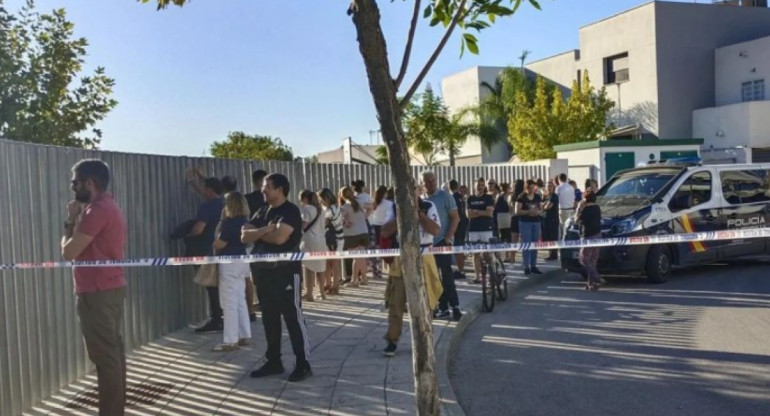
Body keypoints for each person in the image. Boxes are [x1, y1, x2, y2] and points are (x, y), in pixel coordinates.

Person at [61, 159, 128, 415]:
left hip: (97, 292)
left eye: (74, 182)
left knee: (105, 357)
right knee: (112, 353)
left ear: (90, 183)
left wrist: (69, 221)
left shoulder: (96, 211)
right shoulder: (109, 206)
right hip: (109, 288)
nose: (72, 187)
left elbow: (69, 252)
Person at [241, 173, 312, 382]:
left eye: (266, 187)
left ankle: (303, 363)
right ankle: (274, 361)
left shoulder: (290, 211)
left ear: (279, 189)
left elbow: (280, 239)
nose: (263, 190)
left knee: (293, 317)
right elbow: (244, 235)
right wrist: (267, 229)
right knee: (270, 318)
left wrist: (259, 233)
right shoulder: (263, 211)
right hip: (263, 273)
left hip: (286, 273)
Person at [382, 184, 443, 357]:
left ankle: (425, 340)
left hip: (424, 255)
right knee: (396, 301)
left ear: (419, 191)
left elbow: (436, 230)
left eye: (414, 189)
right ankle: (392, 340)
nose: (410, 192)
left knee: (426, 302)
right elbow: (385, 232)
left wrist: (419, 215)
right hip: (401, 258)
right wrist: (401, 216)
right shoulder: (394, 207)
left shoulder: (429, 206)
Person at [212, 192, 251, 352]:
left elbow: (219, 244)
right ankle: (244, 334)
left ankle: (230, 340)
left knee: (228, 302)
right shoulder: (244, 221)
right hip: (242, 261)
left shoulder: (228, 223)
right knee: (239, 299)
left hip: (229, 262)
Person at [186, 173, 225, 333]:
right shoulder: (224, 203)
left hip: (205, 250)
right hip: (222, 249)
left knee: (211, 287)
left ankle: (216, 319)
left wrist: (188, 235)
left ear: (209, 190)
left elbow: (199, 228)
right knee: (221, 286)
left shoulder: (207, 206)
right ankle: (222, 318)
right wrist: (195, 183)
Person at [422, 170, 462, 321]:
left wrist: (448, 238)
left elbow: (455, 218)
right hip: (426, 244)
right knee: (433, 277)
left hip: (441, 241)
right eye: (427, 182)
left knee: (446, 275)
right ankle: (442, 306)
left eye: (433, 180)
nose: (431, 184)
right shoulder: (420, 199)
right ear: (422, 183)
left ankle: (455, 306)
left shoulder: (445, 196)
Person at [299, 190, 327, 301]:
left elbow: (303, 225)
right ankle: (322, 292)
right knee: (320, 266)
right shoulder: (321, 210)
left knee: (309, 267)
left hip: (310, 240)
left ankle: (309, 293)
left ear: (305, 199)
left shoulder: (307, 209)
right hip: (321, 240)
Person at [467, 177, 495, 284]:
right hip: (473, 229)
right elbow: (468, 214)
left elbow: (489, 213)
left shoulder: (488, 198)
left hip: (486, 228)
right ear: (474, 185)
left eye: (482, 185)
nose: (480, 187)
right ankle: (477, 277)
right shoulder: (470, 198)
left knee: (487, 253)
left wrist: (477, 212)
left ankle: (490, 276)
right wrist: (482, 212)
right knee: (476, 254)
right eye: (478, 185)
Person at [340, 186, 369, 287]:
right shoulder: (360, 203)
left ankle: (354, 280)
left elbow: (339, 218)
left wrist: (345, 222)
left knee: (356, 258)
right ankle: (364, 278)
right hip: (364, 232)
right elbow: (371, 207)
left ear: (342, 196)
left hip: (352, 234)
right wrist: (365, 217)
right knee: (361, 257)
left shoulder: (345, 207)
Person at [318, 188, 344, 295]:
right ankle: (329, 283)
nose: (319, 200)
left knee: (333, 263)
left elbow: (325, 223)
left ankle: (335, 285)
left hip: (335, 239)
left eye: (320, 198)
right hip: (333, 238)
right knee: (329, 263)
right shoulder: (332, 207)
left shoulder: (331, 209)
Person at [516, 179, 543, 275]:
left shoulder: (537, 197)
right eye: (529, 188)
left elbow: (541, 209)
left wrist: (537, 212)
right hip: (525, 222)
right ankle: (526, 266)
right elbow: (517, 211)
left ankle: (533, 265)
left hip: (536, 222)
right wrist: (528, 212)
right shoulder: (521, 197)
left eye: (532, 187)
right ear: (525, 187)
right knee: (526, 244)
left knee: (535, 244)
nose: (530, 190)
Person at [577, 190, 602, 291]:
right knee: (593, 260)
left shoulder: (585, 210)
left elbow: (577, 220)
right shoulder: (597, 208)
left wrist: (579, 208)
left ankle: (596, 277)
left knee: (583, 259)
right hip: (598, 235)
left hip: (588, 236)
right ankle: (591, 283)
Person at [369, 185, 395, 276]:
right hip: (384, 227)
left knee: (375, 249)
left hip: (374, 226)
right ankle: (386, 268)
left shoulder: (373, 203)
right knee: (385, 248)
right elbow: (390, 217)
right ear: (385, 193)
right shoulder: (389, 204)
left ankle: (376, 269)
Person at [449, 179, 468, 279]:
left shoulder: (452, 198)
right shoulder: (462, 197)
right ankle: (461, 269)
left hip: (456, 226)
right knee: (460, 247)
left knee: (458, 248)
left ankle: (461, 270)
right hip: (463, 225)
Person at [541, 181, 560, 261]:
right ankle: (550, 253)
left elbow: (547, 207)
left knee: (553, 236)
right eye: (547, 186)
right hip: (546, 218)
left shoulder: (554, 196)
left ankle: (554, 254)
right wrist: (543, 203)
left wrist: (543, 205)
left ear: (553, 187)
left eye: (550, 186)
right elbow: (541, 204)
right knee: (548, 236)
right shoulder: (546, 196)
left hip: (553, 219)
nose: (549, 188)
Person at [509, 179, 525, 264]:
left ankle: (512, 258)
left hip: (514, 218)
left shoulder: (512, 196)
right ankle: (524, 257)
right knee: (523, 239)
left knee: (514, 240)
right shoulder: (524, 195)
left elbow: (510, 207)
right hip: (523, 218)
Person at [555, 174, 576, 239]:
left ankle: (563, 241)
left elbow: (556, 198)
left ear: (559, 179)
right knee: (570, 226)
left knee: (562, 227)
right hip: (571, 209)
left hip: (562, 209)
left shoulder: (558, 188)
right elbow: (573, 198)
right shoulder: (571, 187)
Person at [495, 183, 512, 254]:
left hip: (500, 217)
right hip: (507, 216)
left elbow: (495, 205)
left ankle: (504, 253)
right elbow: (510, 206)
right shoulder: (508, 196)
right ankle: (507, 254)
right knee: (508, 237)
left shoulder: (498, 195)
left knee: (502, 236)